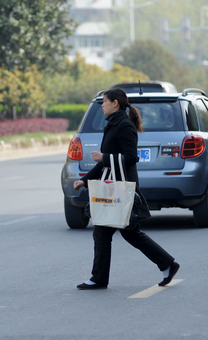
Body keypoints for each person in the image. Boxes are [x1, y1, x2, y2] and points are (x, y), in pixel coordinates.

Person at [74, 88, 179, 290]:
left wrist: (104, 157)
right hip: (113, 185)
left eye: (104, 101)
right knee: (113, 232)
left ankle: (166, 263)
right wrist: (84, 180)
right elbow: (105, 162)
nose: (102, 105)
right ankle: (165, 264)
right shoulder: (114, 124)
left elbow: (131, 158)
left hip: (122, 187)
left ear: (115, 103)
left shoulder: (123, 126)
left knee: (123, 232)